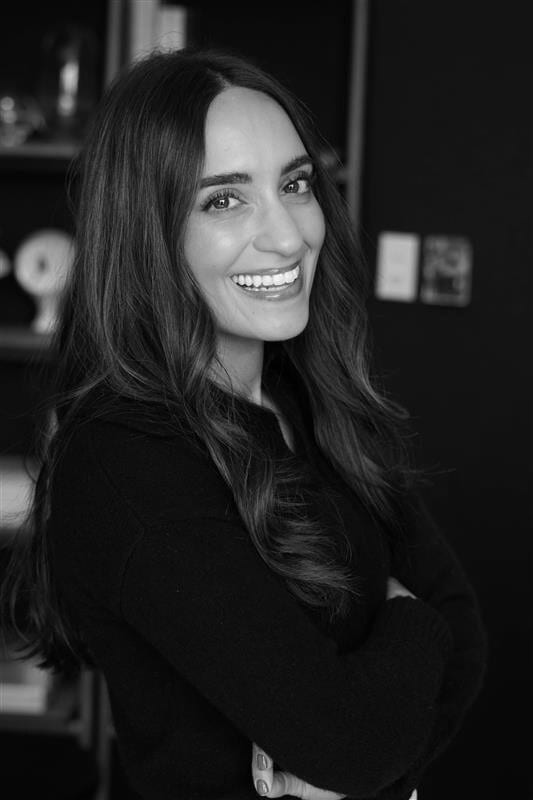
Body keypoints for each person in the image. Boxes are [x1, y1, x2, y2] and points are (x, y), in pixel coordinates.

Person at [1, 49, 486, 800]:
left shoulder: (304, 395)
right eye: (223, 200)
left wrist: (373, 744)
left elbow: (464, 632)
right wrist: (407, 617)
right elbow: (352, 743)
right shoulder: (126, 459)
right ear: (146, 233)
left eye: (294, 184)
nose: (288, 236)